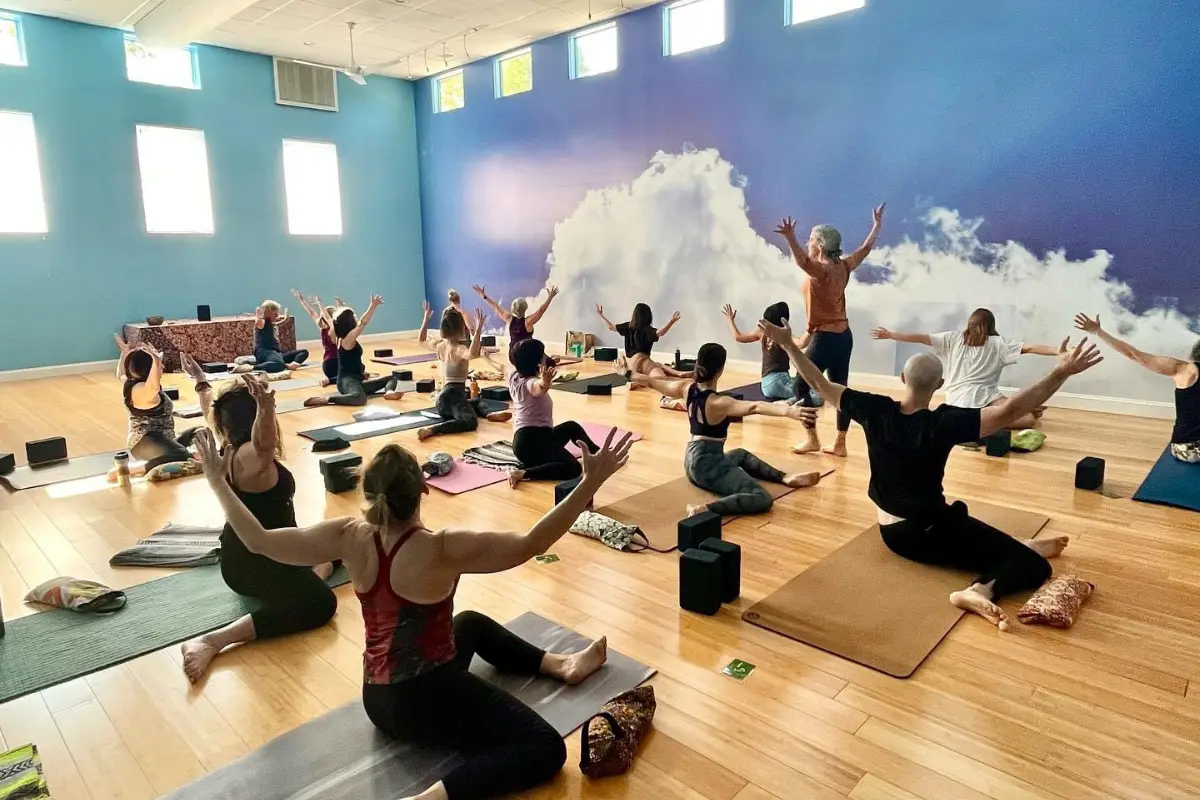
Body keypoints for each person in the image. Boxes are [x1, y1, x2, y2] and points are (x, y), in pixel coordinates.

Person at [191, 426, 634, 800]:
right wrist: (588, 484)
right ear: (423, 488)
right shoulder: (440, 548)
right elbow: (530, 544)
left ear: (368, 493)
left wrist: (218, 483)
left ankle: (560, 664)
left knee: (471, 625)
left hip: (377, 700)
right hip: (427, 700)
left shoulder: (348, 536)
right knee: (544, 747)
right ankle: (435, 796)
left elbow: (260, 541)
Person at [759, 316, 1102, 628]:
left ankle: (1019, 545)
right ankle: (980, 590)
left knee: (970, 523)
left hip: (892, 529)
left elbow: (819, 383)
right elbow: (1013, 408)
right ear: (938, 385)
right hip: (922, 533)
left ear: (903, 378)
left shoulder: (874, 409)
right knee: (1037, 568)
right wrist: (1061, 371)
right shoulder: (944, 422)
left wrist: (790, 344)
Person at [180, 375, 338, 681]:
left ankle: (312, 573)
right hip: (256, 564)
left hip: (259, 554)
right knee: (320, 603)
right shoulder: (251, 455)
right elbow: (266, 446)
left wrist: (201, 382)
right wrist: (267, 407)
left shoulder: (229, 448)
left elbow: (211, 411)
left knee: (335, 546)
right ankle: (212, 641)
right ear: (253, 421)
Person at [631, 343, 822, 519]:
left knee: (740, 454)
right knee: (762, 498)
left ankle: (785, 477)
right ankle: (705, 509)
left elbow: (655, 382)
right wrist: (789, 411)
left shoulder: (686, 388)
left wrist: (628, 374)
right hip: (707, 466)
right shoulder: (719, 403)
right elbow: (754, 406)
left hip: (692, 460)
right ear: (720, 370)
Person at [775, 204, 885, 456]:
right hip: (844, 337)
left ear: (820, 246)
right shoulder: (844, 267)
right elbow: (865, 249)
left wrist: (790, 237)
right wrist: (876, 225)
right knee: (840, 389)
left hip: (825, 339)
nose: (807, 241)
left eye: (811, 239)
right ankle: (840, 444)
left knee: (800, 386)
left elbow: (802, 261)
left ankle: (812, 439)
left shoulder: (821, 271)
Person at [870, 308, 1061, 428]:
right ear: (991, 326)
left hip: (956, 401)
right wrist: (1060, 352)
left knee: (1023, 414)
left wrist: (891, 335)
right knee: (1029, 420)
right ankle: (993, 422)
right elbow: (1031, 347)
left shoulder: (952, 338)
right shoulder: (996, 343)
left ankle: (985, 422)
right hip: (984, 400)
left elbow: (920, 337)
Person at [1075, 313, 1200, 463]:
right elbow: (1134, 354)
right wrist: (1098, 332)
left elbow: (1134, 355)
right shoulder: (1186, 371)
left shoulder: (1184, 370)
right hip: (1187, 448)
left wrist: (1098, 332)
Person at [505, 339, 601, 488]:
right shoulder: (530, 384)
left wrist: (487, 358)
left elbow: (502, 366)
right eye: (542, 355)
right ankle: (523, 473)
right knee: (574, 469)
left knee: (572, 427)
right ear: (535, 362)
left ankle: (597, 454)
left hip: (534, 438)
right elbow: (538, 387)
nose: (545, 357)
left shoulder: (514, 376)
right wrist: (545, 383)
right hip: (531, 444)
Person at [417, 302, 512, 440]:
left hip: (444, 400)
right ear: (460, 328)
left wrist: (426, 318)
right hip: (453, 396)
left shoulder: (439, 345)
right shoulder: (458, 349)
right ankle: (432, 430)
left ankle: (489, 414)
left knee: (476, 401)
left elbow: (421, 340)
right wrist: (478, 330)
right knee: (470, 422)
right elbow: (473, 354)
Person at [111, 336, 204, 478]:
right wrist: (155, 360)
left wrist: (124, 353)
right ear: (149, 370)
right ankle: (130, 469)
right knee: (182, 454)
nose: (163, 367)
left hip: (164, 438)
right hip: (144, 442)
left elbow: (121, 374)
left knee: (200, 432)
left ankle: (174, 453)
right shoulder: (141, 391)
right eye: (160, 365)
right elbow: (153, 386)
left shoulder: (133, 382)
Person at [303, 295, 405, 407]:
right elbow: (363, 322)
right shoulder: (348, 339)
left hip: (357, 380)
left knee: (391, 378)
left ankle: (389, 392)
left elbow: (329, 318)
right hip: (346, 381)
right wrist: (372, 306)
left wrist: (332, 305)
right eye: (354, 317)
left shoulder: (337, 334)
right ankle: (326, 399)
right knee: (360, 398)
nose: (356, 318)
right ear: (349, 322)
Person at [721, 301, 821, 405]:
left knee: (802, 383)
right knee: (818, 394)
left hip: (765, 384)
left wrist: (730, 320)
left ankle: (793, 399)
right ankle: (789, 402)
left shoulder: (761, 332)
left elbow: (738, 337)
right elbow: (801, 343)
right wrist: (811, 328)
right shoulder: (783, 336)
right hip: (778, 382)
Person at [595, 302, 690, 385]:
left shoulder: (628, 326)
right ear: (648, 316)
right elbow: (661, 333)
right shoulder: (646, 329)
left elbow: (611, 327)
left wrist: (600, 315)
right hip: (643, 363)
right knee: (661, 379)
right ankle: (675, 375)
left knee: (658, 365)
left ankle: (676, 373)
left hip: (630, 365)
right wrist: (671, 321)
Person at [472, 284, 560, 358]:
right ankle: (547, 361)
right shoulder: (527, 322)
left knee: (534, 345)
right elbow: (541, 310)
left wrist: (484, 296)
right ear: (525, 308)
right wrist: (550, 297)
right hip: (524, 355)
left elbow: (495, 306)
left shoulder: (509, 319)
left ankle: (546, 359)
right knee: (536, 345)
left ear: (512, 309)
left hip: (512, 355)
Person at [290, 289, 343, 384]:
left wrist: (301, 300)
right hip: (337, 363)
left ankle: (331, 379)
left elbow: (312, 313)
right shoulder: (335, 330)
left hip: (326, 366)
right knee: (354, 372)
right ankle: (331, 380)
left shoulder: (322, 329)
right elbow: (334, 317)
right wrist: (339, 305)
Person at [242, 300, 308, 374]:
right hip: (264, 351)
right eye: (276, 312)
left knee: (304, 352)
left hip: (276, 353)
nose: (277, 315)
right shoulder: (262, 322)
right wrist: (258, 313)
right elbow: (258, 323)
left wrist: (285, 319)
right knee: (280, 365)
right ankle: (251, 368)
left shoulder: (271, 323)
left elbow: (276, 324)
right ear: (268, 311)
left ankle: (291, 365)